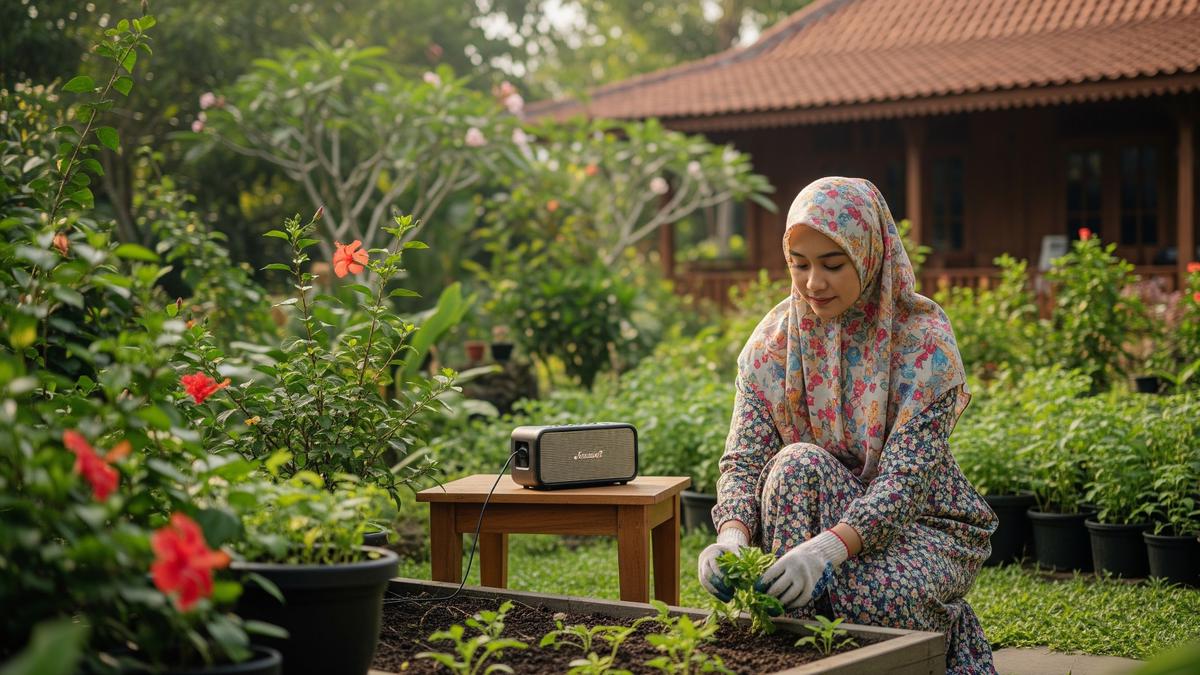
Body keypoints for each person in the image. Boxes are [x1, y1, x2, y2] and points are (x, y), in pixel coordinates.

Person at [698, 176, 998, 673]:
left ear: (868, 255)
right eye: (800, 265)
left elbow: (905, 482)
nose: (813, 282)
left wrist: (825, 551)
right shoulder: (773, 344)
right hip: (816, 511)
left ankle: (946, 639)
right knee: (795, 464)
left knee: (876, 599)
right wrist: (730, 536)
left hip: (922, 523)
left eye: (833, 265)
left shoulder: (922, 344)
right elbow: (744, 458)